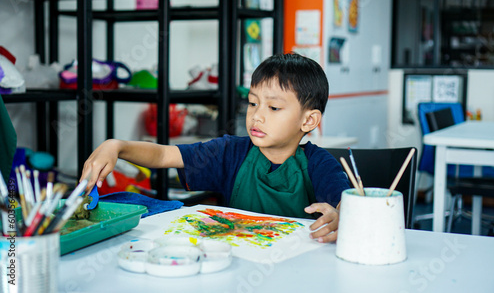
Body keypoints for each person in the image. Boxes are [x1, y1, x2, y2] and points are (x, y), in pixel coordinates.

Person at [80, 53, 349, 243]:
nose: (257, 116)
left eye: (274, 107)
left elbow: (345, 206)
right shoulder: (230, 153)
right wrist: (116, 146)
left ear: (308, 120)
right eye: (253, 103)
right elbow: (164, 154)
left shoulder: (318, 164)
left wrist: (340, 216)